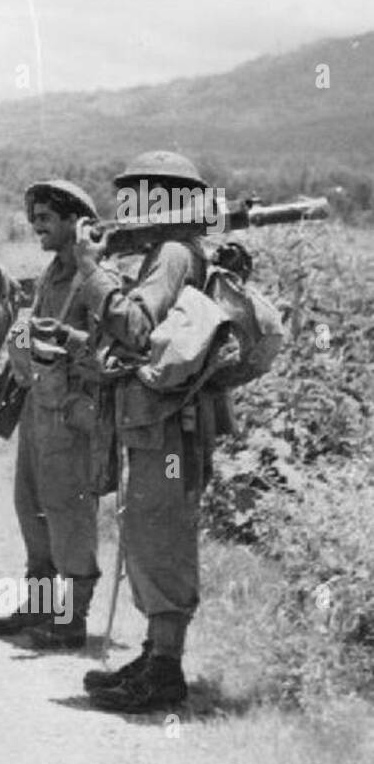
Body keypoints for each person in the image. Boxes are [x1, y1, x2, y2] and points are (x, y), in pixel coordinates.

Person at [76, 151, 230, 711]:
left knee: (161, 536)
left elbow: (136, 327)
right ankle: (154, 653)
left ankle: (166, 670)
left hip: (169, 426)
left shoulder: (170, 254)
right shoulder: (176, 250)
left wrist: (92, 271)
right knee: (147, 532)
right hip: (160, 423)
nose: (125, 207)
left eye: (136, 195)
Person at [0, 180, 102, 648]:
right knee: (31, 507)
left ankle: (71, 621)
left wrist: (65, 345)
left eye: (46, 220)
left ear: (76, 221)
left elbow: (109, 352)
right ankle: (37, 606)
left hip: (73, 413)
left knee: (68, 513)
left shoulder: (96, 278)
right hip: (39, 407)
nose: (37, 228)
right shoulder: (54, 273)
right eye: (34, 219)